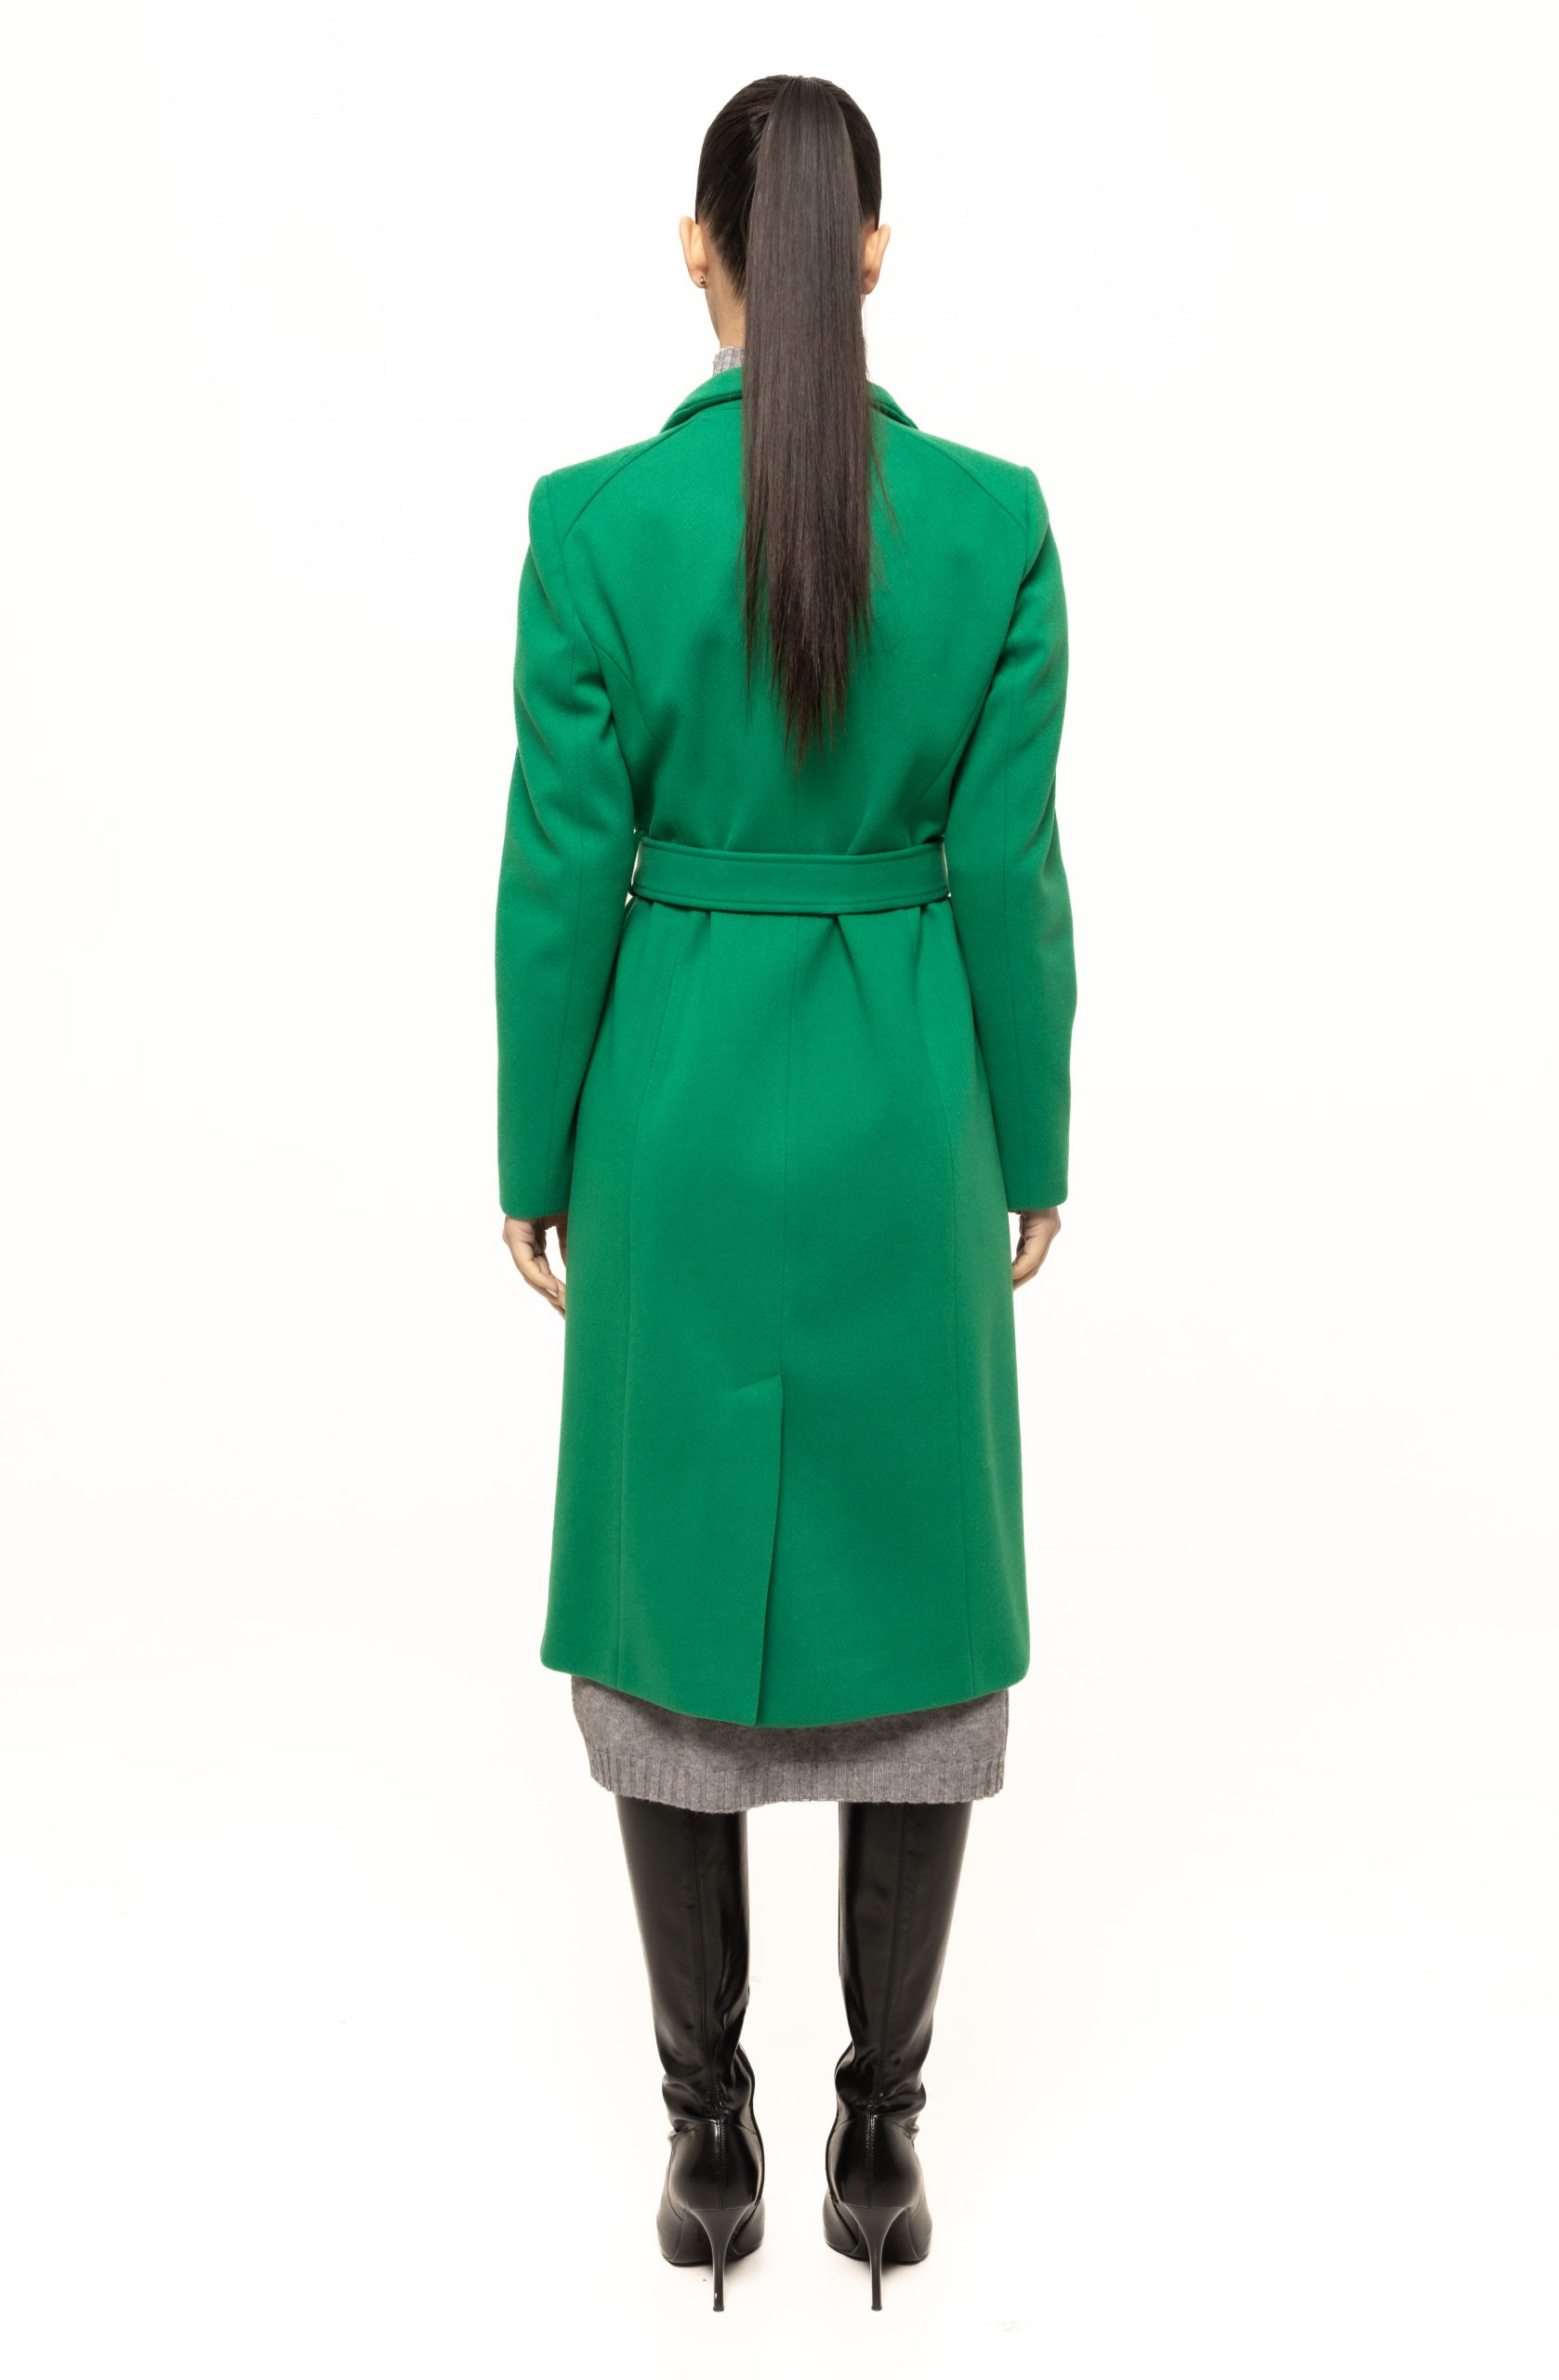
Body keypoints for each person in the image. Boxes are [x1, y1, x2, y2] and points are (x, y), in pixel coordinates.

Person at [495, 73, 1075, 2313]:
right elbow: (1006, 871)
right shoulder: (992, 526)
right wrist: (1029, 1133)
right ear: (874, 258)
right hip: (905, 1103)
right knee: (917, 1591)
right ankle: (881, 2136)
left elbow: (562, 874)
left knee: (665, 1602)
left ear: (699, 252)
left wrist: (532, 1146)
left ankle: (705, 2134)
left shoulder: (593, 527)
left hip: (667, 1109)